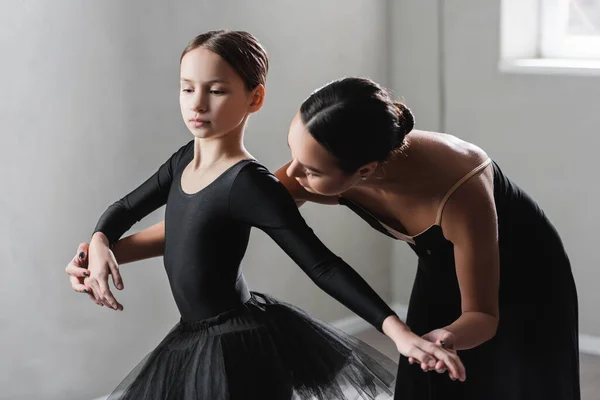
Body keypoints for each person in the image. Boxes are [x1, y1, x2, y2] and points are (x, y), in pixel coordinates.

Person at [70, 75, 580, 399]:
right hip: (439, 259)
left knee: (518, 382)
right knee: (422, 377)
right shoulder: (323, 161)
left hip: (523, 273)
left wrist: (446, 335)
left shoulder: (461, 191)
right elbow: (208, 223)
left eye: (309, 171)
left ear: (366, 170)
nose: (290, 174)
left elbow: (483, 316)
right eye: (294, 153)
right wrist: (107, 249)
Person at [67, 31, 465, 400]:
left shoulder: (250, 184)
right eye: (187, 88)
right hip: (191, 337)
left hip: (233, 343)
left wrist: (397, 331)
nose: (197, 103)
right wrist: (99, 246)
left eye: (217, 90)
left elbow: (322, 265)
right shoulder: (183, 160)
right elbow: (125, 209)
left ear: (254, 99)